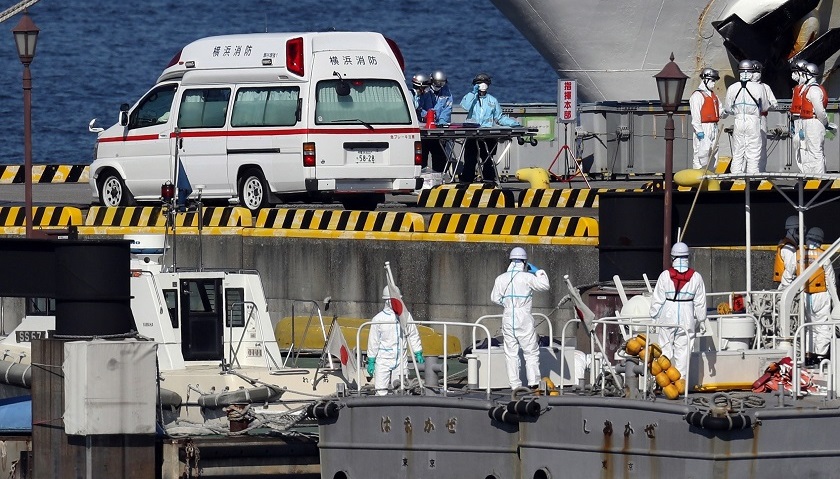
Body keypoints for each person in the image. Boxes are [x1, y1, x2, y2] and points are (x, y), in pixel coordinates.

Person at [490, 246, 550, 390]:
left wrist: (507, 303)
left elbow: (494, 298)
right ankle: (534, 382)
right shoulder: (527, 277)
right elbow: (545, 285)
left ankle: (514, 385)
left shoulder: (500, 278)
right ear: (524, 262)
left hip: (508, 315)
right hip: (523, 316)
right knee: (530, 351)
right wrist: (538, 271)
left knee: (511, 353)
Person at [648, 242, 707, 380]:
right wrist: (702, 320)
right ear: (687, 257)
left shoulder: (665, 275)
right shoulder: (696, 277)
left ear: (673, 257)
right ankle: (681, 382)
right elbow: (700, 301)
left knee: (664, 348)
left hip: (668, 312)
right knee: (684, 351)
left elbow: (657, 299)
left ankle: (663, 381)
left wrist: (653, 316)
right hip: (687, 313)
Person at [459, 72, 521, 183]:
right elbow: (465, 106)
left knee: (488, 159)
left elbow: (499, 117)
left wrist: (513, 123)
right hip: (472, 133)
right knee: (470, 159)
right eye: (480, 83)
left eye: (485, 83)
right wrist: (473, 93)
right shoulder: (471, 98)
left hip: (488, 133)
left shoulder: (492, 100)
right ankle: (466, 181)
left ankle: (489, 180)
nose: (482, 85)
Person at [366, 286, 424, 395]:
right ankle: (380, 402)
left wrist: (418, 351)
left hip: (401, 358)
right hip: (383, 359)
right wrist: (371, 360)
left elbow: (413, 334)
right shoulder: (378, 319)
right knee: (380, 389)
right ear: (387, 301)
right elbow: (373, 341)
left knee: (401, 388)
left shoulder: (405, 316)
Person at [796, 227, 836, 365]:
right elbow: (830, 279)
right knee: (823, 326)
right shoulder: (823, 255)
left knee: (808, 326)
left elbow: (788, 276)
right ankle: (820, 356)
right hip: (821, 294)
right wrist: (835, 300)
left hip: (804, 294)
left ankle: (808, 354)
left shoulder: (798, 254)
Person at [725, 59, 768, 175]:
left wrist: (737, 112)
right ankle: (752, 175)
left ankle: (735, 175)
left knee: (738, 150)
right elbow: (764, 107)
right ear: (751, 72)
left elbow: (728, 108)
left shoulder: (732, 88)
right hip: (753, 120)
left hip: (738, 120)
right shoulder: (759, 88)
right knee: (753, 149)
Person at [797, 63, 830, 174]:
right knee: (808, 150)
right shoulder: (807, 89)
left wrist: (825, 122)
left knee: (816, 151)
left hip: (814, 121)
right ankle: (810, 175)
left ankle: (820, 176)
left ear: (809, 75)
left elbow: (819, 110)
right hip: (807, 121)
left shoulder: (814, 90)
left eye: (803, 74)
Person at [689, 67, 721, 170]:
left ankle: (711, 174)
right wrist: (699, 131)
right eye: (712, 81)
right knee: (700, 152)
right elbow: (696, 116)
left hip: (714, 127)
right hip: (703, 127)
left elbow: (719, 110)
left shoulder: (713, 96)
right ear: (705, 80)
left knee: (713, 151)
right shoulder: (697, 96)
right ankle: (698, 174)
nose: (714, 84)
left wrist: (726, 111)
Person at [421, 70, 454, 172]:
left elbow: (448, 107)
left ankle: (439, 174)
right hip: (424, 129)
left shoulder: (446, 91)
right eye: (437, 83)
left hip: (438, 129)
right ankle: (421, 175)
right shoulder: (425, 90)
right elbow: (419, 106)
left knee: (439, 155)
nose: (439, 85)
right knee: (422, 155)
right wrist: (426, 115)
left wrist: (442, 121)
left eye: (442, 83)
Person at [751, 61, 778, 170]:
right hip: (749, 118)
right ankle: (746, 171)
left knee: (761, 144)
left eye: (758, 71)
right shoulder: (744, 87)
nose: (756, 74)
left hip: (761, 118)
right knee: (747, 145)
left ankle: (761, 170)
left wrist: (768, 106)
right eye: (754, 71)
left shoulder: (765, 87)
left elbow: (774, 102)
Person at [789, 59, 808, 170]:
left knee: (804, 146)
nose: (793, 75)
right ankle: (803, 170)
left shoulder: (807, 88)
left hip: (804, 120)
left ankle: (806, 171)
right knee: (799, 146)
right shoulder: (797, 88)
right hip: (797, 119)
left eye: (795, 72)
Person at [775, 215, 803, 287]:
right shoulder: (789, 248)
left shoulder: (787, 244)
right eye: (799, 231)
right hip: (788, 286)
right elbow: (790, 271)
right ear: (793, 231)